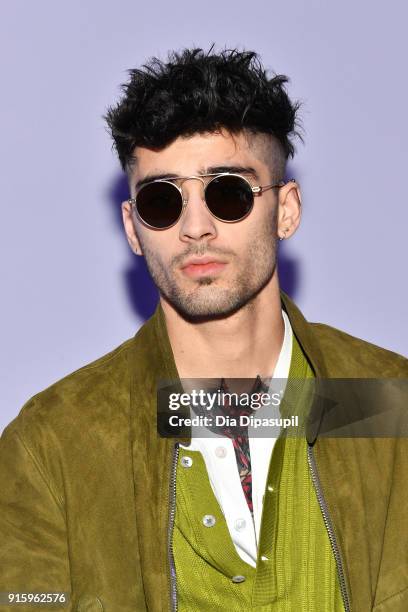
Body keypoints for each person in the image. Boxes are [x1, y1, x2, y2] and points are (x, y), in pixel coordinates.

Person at [0, 47, 407, 612]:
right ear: (133, 228)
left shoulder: (389, 403)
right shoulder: (55, 441)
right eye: (162, 200)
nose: (196, 227)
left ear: (285, 209)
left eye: (229, 193)